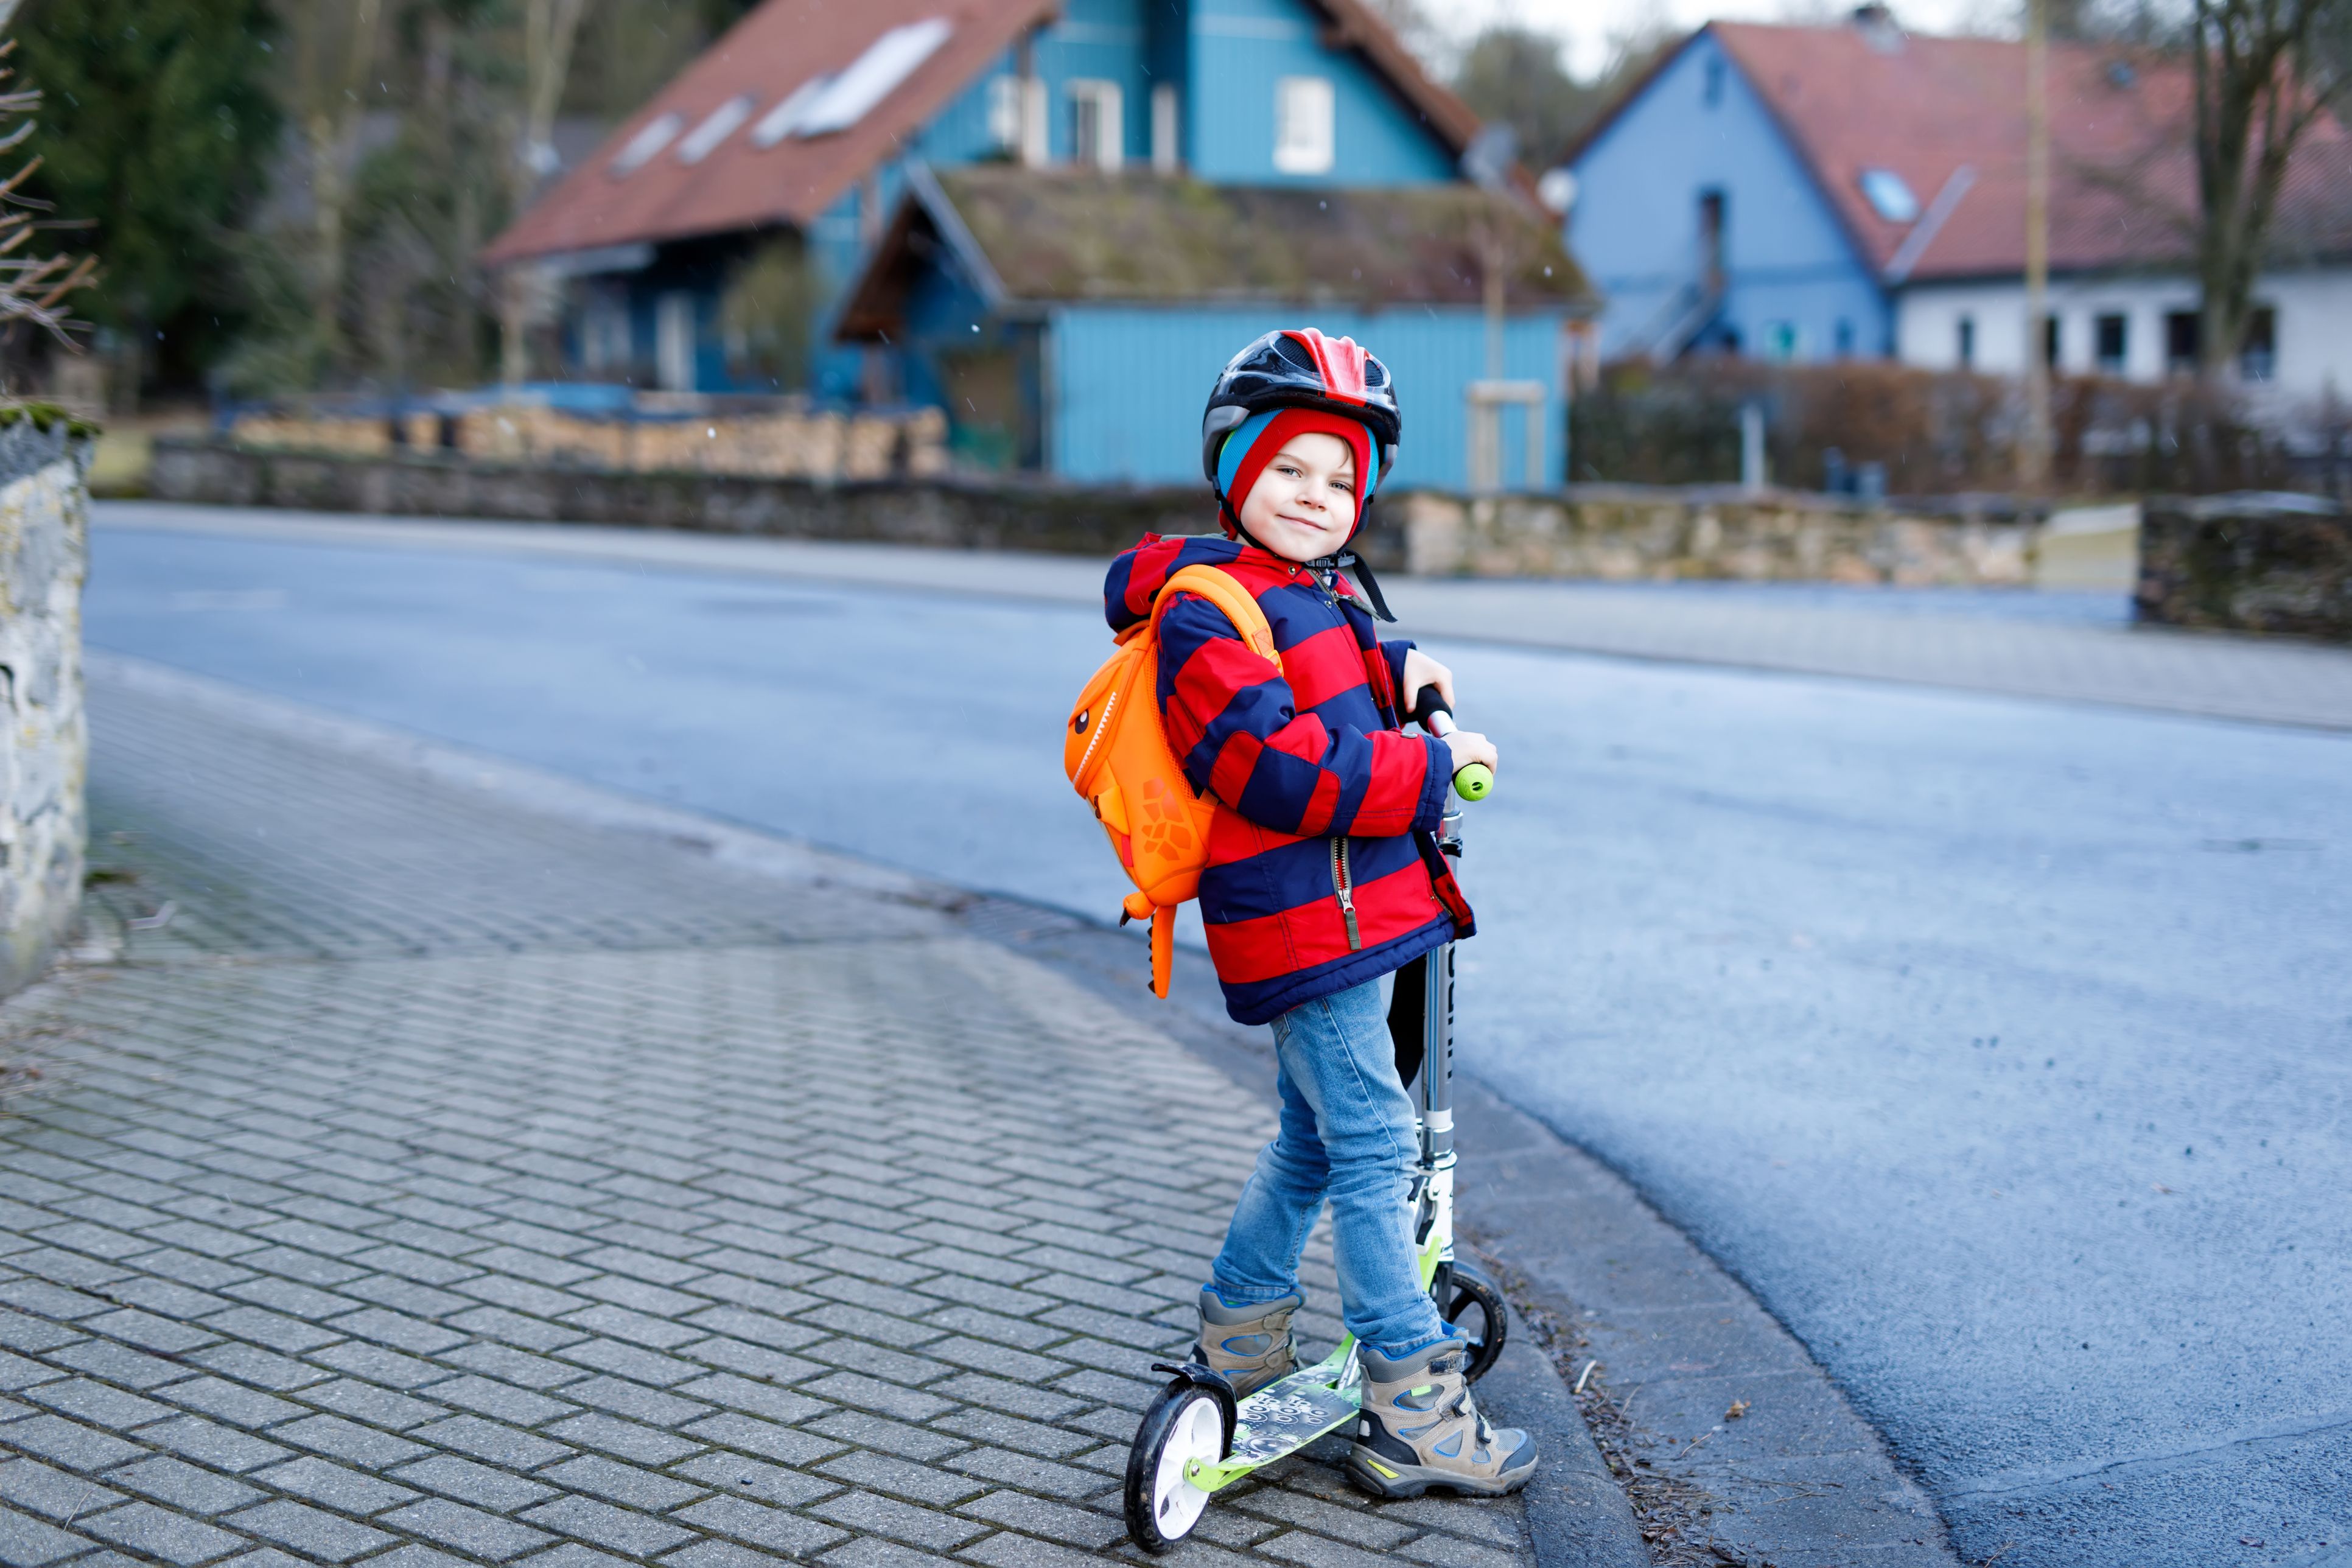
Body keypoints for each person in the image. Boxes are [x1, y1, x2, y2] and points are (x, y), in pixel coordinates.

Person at [1102, 329, 1536, 1499]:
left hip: (1354, 911)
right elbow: (1277, 770)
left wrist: (1415, 677)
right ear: (1237, 468)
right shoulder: (1207, 612)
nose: (1318, 496)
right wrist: (1431, 771)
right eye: (1292, 469)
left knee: (1310, 1139)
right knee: (1374, 1146)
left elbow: (1348, 651)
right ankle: (1413, 1404)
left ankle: (1241, 1344)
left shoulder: (1309, 589)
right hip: (1307, 920)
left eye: (1342, 480)